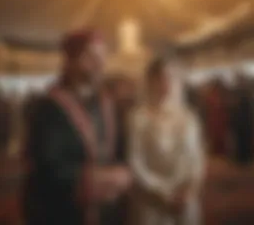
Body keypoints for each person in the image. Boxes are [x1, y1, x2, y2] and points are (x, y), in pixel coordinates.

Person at [23, 30, 132, 225]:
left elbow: (120, 150)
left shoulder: (108, 104)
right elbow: (46, 168)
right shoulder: (48, 108)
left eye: (102, 56)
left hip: (107, 210)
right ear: (69, 62)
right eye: (91, 57)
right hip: (64, 213)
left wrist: (123, 172)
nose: (100, 64)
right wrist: (91, 181)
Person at [129, 56, 205, 225]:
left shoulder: (189, 117)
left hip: (185, 199)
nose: (167, 84)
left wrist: (190, 190)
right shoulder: (139, 118)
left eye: (173, 77)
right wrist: (165, 193)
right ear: (151, 82)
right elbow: (135, 163)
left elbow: (197, 159)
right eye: (161, 78)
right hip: (152, 202)